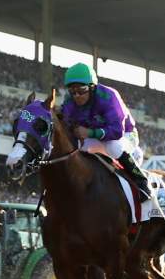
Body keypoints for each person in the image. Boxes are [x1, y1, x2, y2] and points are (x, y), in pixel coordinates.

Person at [59, 63, 153, 200]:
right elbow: (65, 124)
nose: (77, 96)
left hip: (125, 135)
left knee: (113, 146)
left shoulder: (109, 97)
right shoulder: (69, 101)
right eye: (73, 91)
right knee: (76, 147)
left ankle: (141, 181)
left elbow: (117, 131)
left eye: (81, 90)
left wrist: (89, 133)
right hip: (98, 138)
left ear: (92, 87)